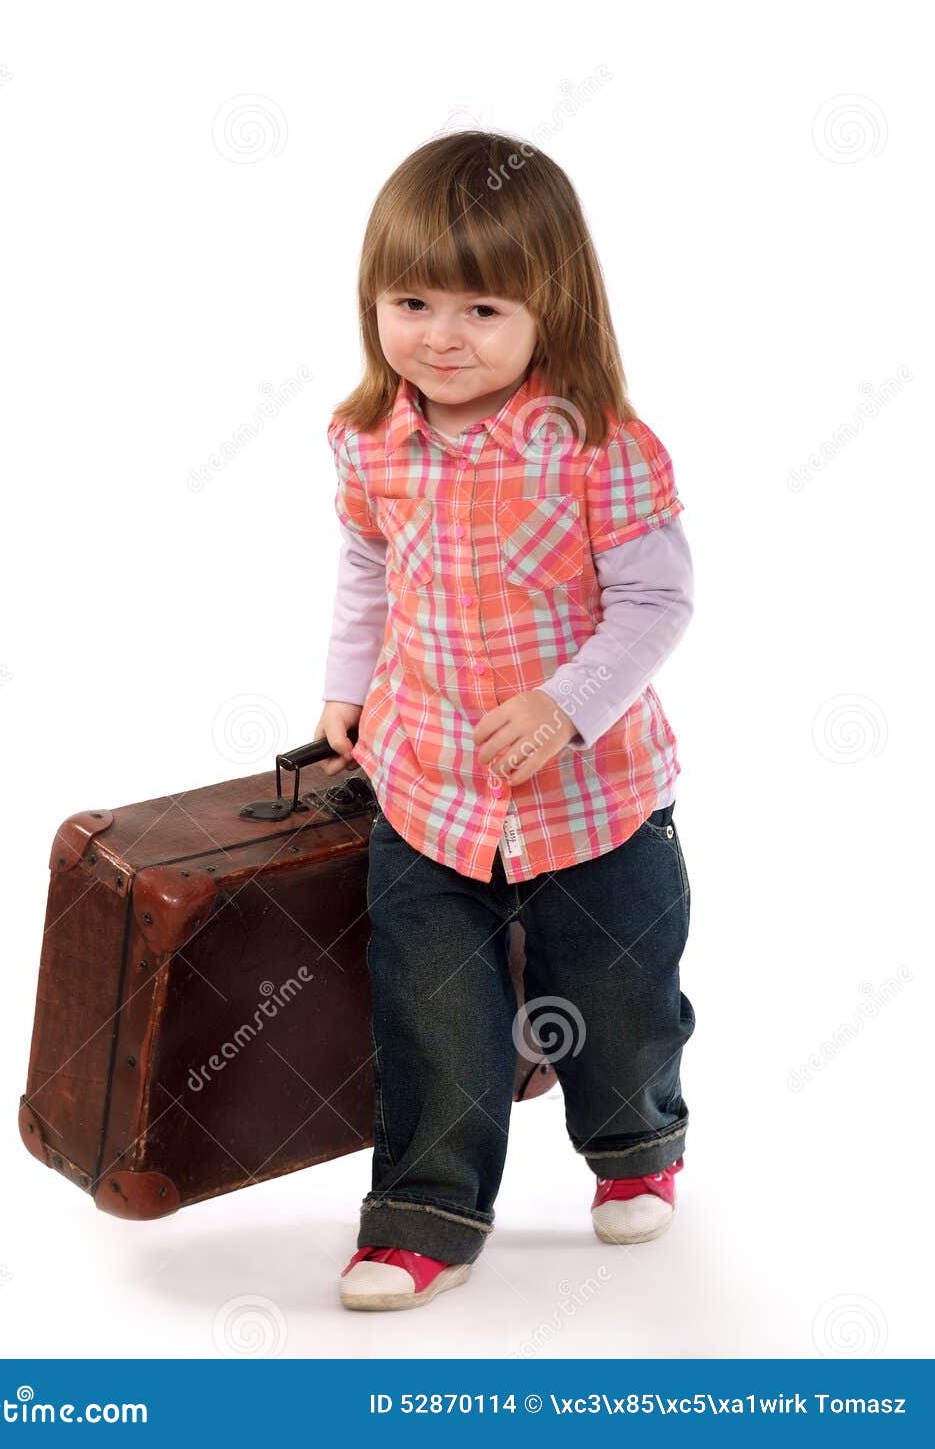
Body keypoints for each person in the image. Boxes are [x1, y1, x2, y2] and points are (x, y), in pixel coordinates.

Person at [315, 130, 696, 1312]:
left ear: (551, 307)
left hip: (595, 798)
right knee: (430, 1010)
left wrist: (568, 702)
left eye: (482, 308)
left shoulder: (598, 446)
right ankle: (424, 1215)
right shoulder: (370, 440)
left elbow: (657, 600)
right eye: (412, 302)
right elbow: (368, 568)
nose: (442, 335)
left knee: (620, 1001)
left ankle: (636, 1144)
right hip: (428, 787)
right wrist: (346, 685)